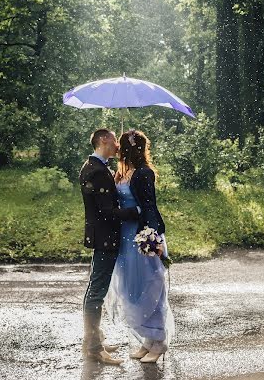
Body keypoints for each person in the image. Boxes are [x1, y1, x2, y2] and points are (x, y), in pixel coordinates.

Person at [105, 128, 175, 363]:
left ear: (127, 149)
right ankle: (148, 339)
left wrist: (152, 239)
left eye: (121, 147)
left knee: (150, 286)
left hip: (140, 236)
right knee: (131, 288)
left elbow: (149, 207)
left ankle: (160, 341)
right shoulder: (122, 172)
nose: (118, 150)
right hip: (125, 238)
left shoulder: (144, 174)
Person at [79, 127, 141, 365]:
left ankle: (92, 340)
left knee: (95, 289)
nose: (118, 145)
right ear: (104, 140)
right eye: (115, 140)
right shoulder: (98, 172)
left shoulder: (94, 167)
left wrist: (113, 185)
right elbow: (106, 211)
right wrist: (134, 212)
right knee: (97, 292)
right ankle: (94, 348)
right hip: (106, 237)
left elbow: (101, 202)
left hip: (100, 236)